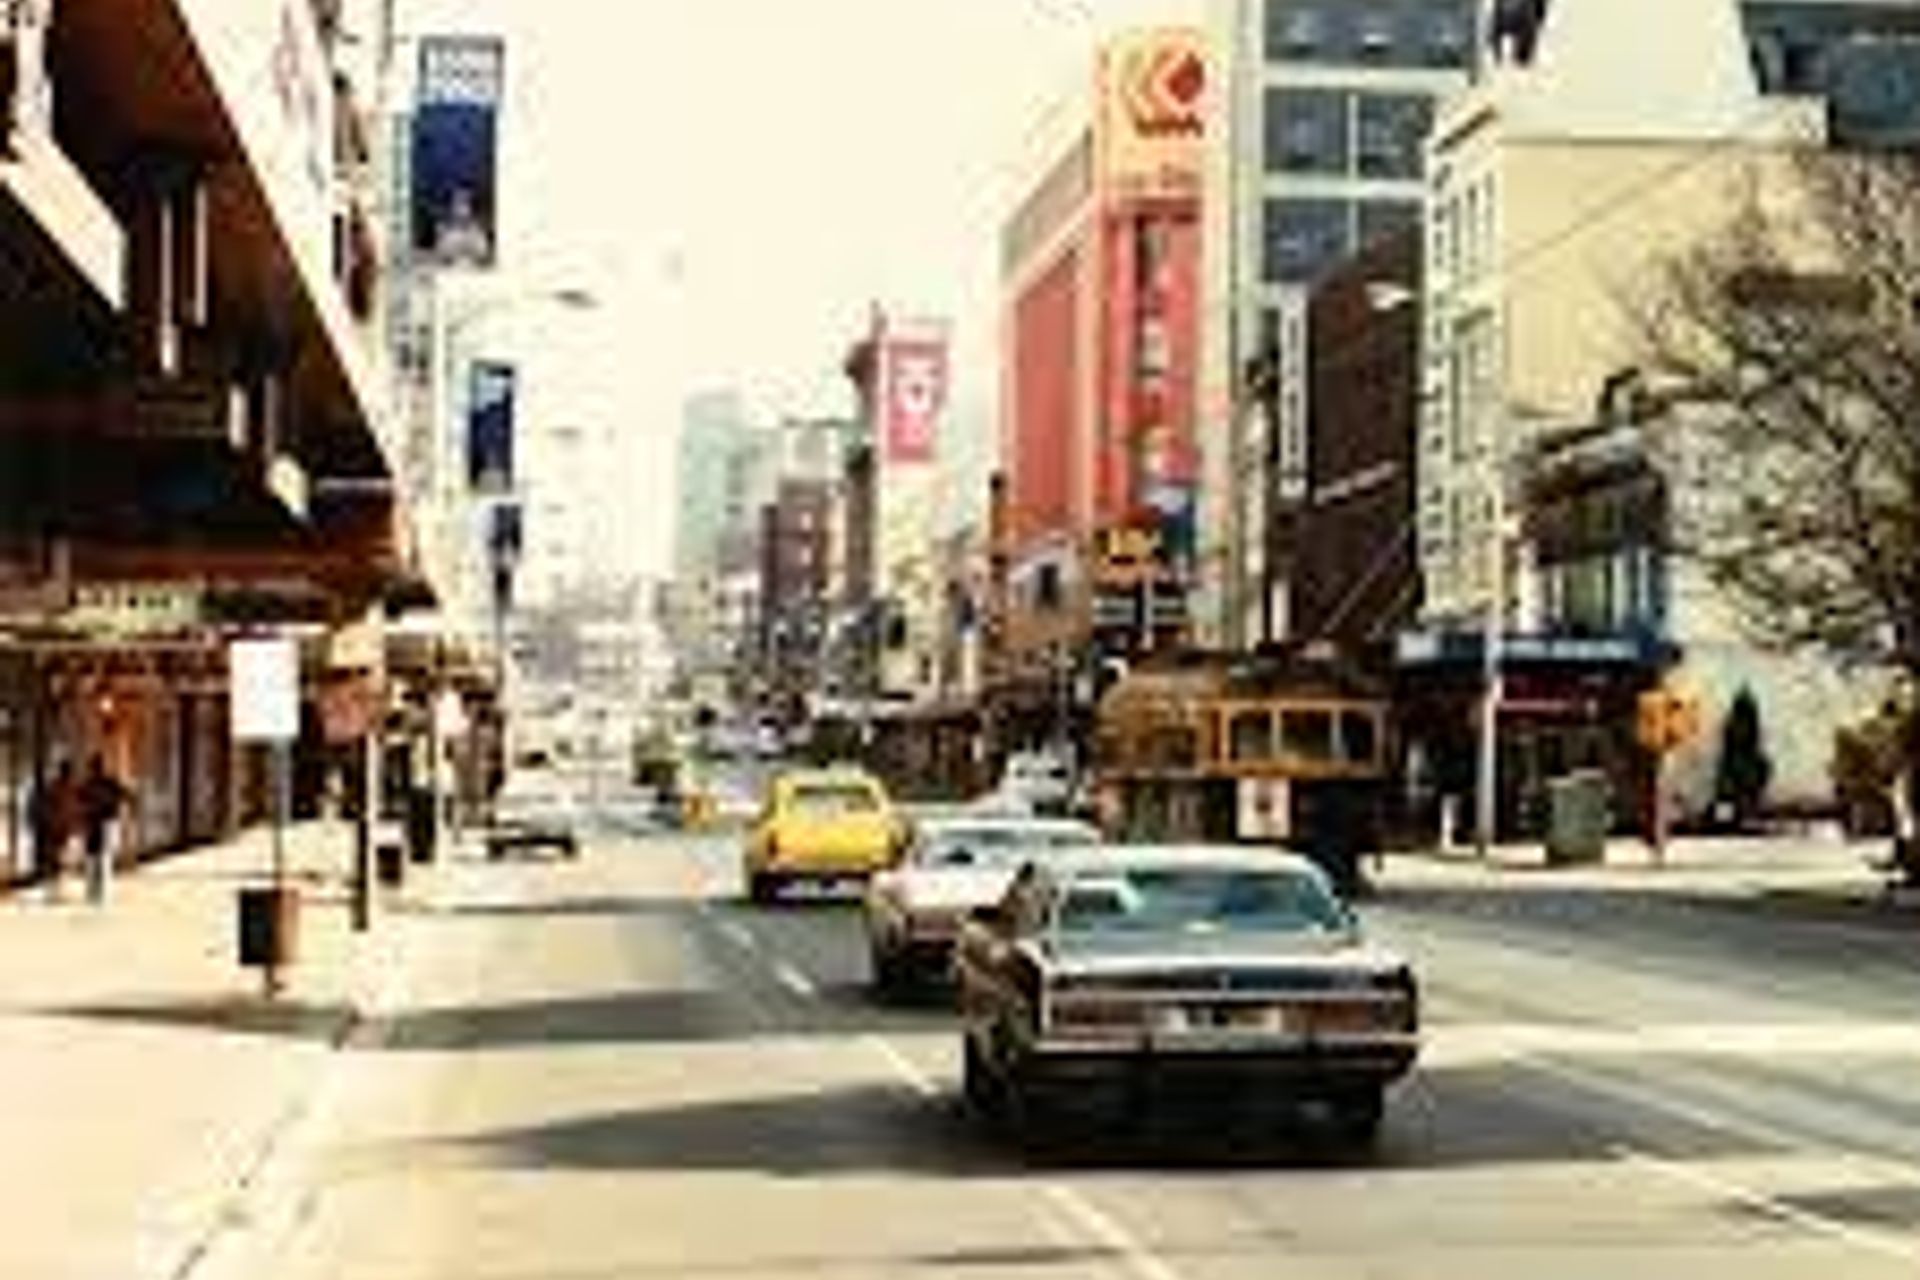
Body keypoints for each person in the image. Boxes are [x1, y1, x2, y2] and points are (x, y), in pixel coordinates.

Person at [78, 754, 129, 905]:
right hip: (105, 822)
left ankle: (93, 889)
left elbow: (79, 802)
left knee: (93, 856)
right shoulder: (109, 783)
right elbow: (125, 794)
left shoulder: (88, 785)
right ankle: (100, 889)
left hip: (94, 823)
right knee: (103, 856)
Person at [27, 760, 78, 891]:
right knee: (56, 853)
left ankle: (53, 879)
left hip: (57, 825)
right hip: (59, 825)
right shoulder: (66, 787)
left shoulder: (56, 787)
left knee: (55, 853)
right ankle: (54, 880)